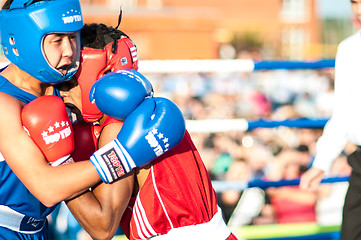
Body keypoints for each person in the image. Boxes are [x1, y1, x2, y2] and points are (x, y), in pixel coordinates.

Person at [0, 1, 184, 239]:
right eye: (57, 40)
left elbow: (103, 225)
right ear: (20, 41)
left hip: (37, 230)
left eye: (73, 38)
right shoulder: (4, 103)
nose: (68, 51)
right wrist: (123, 156)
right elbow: (46, 188)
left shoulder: (65, 89)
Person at [56, 23, 238, 240]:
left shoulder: (117, 128)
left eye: (69, 82)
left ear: (103, 78)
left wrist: (58, 161)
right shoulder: (149, 112)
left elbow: (102, 226)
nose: (62, 92)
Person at [299, 0, 361, 239]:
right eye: (354, 2)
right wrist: (320, 164)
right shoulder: (348, 49)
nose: (358, 9)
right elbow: (342, 113)